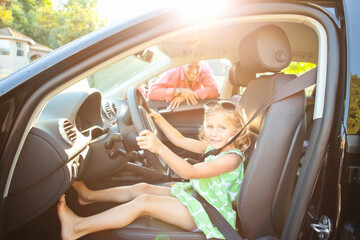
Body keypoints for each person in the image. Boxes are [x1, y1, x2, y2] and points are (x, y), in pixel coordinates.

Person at [57, 100, 250, 240]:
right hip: (198, 197)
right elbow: (180, 140)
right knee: (142, 187)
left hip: (207, 214)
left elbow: (190, 173)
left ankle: (78, 228)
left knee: (144, 202)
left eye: (222, 128)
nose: (214, 133)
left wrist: (159, 148)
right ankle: (89, 196)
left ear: (238, 131)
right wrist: (158, 119)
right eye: (210, 126)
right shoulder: (214, 147)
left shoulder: (231, 159)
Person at [147, 61, 219, 109]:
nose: (194, 72)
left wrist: (188, 95)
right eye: (190, 66)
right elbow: (152, 93)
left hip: (193, 108)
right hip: (174, 110)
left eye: (197, 67)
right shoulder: (173, 72)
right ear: (183, 65)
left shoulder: (205, 69)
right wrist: (180, 92)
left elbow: (214, 90)